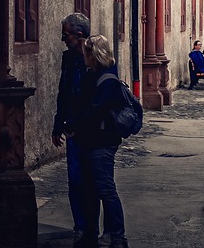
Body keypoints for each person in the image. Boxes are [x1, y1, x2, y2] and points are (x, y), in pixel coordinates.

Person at [66, 35, 130, 248]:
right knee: (90, 190)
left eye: (86, 52)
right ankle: (92, 233)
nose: (83, 55)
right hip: (89, 141)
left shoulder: (107, 80)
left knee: (105, 189)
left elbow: (94, 110)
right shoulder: (91, 75)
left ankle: (117, 236)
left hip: (102, 142)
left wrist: (74, 124)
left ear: (94, 54)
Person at [52, 13, 92, 241]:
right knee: (75, 180)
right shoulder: (68, 59)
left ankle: (95, 230)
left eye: (65, 34)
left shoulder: (96, 56)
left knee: (94, 181)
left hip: (92, 130)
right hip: (72, 130)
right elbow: (63, 92)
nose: (62, 39)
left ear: (78, 35)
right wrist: (59, 124)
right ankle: (81, 226)